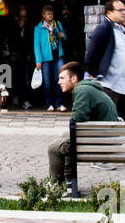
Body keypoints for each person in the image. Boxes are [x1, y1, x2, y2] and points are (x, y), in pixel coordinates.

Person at [47, 61, 120, 195]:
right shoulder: (86, 88)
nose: (59, 82)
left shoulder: (82, 90)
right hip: (104, 136)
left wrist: (74, 119)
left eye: (62, 78)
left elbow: (77, 118)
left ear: (74, 79)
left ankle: (55, 185)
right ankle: (69, 183)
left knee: (53, 147)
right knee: (66, 136)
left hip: (102, 142)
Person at [84, 0, 125, 121]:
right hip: (109, 85)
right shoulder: (103, 29)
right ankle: (107, 140)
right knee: (106, 120)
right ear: (110, 12)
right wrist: (98, 75)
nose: (124, 13)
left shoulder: (122, 30)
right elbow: (90, 56)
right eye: (120, 10)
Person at [33, 4, 67, 112]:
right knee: (47, 82)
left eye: (51, 14)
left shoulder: (57, 24)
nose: (50, 16)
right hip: (45, 58)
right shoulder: (38, 28)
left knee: (60, 80)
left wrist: (63, 35)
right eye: (48, 14)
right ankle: (50, 104)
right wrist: (38, 60)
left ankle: (59, 103)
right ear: (43, 15)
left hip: (58, 56)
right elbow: (36, 46)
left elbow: (65, 37)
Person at [9, 4, 34, 110]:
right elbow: (11, 37)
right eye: (21, 9)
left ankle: (26, 100)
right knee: (15, 77)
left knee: (27, 79)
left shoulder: (30, 23)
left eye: (24, 9)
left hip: (26, 54)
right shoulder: (13, 22)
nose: (23, 12)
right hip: (15, 53)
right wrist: (19, 27)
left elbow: (31, 38)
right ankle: (16, 96)